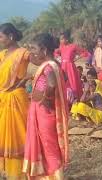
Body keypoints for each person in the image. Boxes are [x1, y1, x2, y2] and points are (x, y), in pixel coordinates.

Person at [23, 33, 69, 179]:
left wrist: (45, 98)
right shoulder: (54, 64)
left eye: (34, 48)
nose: (32, 52)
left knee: (49, 149)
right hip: (41, 111)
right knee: (46, 147)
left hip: (44, 112)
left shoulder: (49, 66)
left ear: (44, 50)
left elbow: (51, 83)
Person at [0, 23, 30, 179]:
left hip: (16, 100)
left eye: (1, 36)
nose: (0, 40)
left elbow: (42, 62)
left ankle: (20, 174)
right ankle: (6, 173)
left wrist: (26, 78)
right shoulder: (2, 54)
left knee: (18, 137)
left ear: (11, 36)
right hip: (3, 100)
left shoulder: (23, 53)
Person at [54, 31, 90, 100]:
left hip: (70, 67)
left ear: (67, 39)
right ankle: (66, 99)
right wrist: (59, 58)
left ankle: (76, 98)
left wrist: (76, 58)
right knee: (64, 82)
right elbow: (55, 52)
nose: (60, 41)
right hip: (63, 67)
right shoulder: (61, 47)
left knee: (72, 82)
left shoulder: (73, 46)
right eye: (60, 39)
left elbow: (85, 52)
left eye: (62, 39)